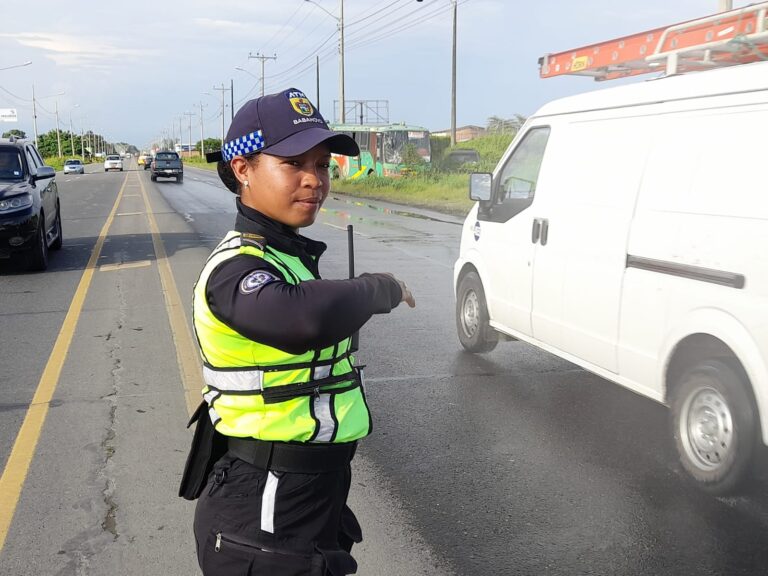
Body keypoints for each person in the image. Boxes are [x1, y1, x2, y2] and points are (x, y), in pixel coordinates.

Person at [179, 87, 415, 576]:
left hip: (305, 498)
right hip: (265, 510)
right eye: (293, 164)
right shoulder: (235, 268)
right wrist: (377, 288)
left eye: (323, 165)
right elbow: (300, 320)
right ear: (242, 169)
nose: (314, 181)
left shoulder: (286, 257)